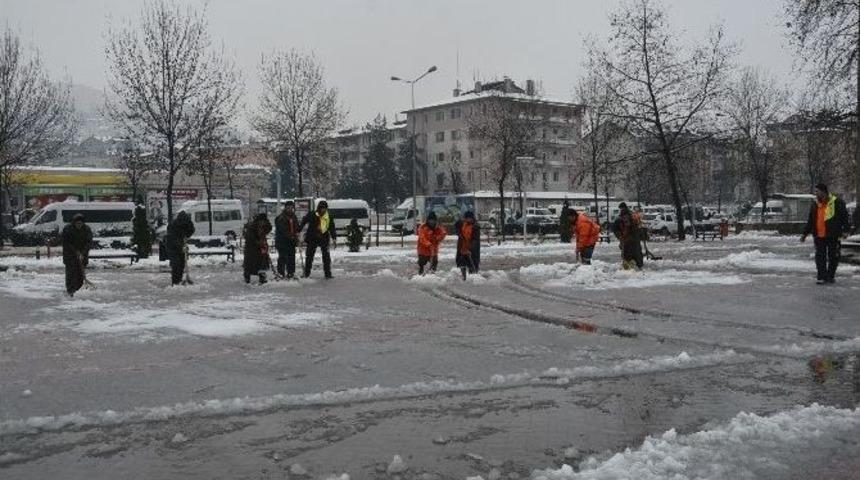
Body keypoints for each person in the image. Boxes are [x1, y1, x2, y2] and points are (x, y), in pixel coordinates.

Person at [801, 183, 849, 284]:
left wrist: (846, 230)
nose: (816, 194)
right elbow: (811, 221)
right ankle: (821, 276)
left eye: (817, 191)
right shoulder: (815, 204)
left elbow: (844, 217)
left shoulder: (837, 202)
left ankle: (830, 276)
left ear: (823, 192)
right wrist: (804, 234)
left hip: (833, 234)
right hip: (819, 235)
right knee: (820, 257)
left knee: (833, 256)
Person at [299, 200, 337, 279]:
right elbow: (304, 221)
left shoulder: (328, 216)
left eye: (325, 208)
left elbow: (332, 227)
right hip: (312, 238)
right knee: (309, 256)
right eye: (322, 208)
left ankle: (328, 274)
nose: (323, 210)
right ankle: (306, 273)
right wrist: (299, 230)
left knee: (326, 257)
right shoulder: (312, 214)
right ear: (319, 208)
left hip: (324, 238)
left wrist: (334, 238)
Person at [61, 213, 93, 297]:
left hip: (83, 255)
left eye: (80, 224)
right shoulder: (68, 229)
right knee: (71, 274)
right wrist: (76, 251)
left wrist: (83, 252)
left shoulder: (87, 229)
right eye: (77, 224)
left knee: (80, 274)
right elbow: (66, 243)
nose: (79, 225)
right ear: (74, 223)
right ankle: (70, 290)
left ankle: (78, 290)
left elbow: (89, 242)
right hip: (70, 256)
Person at [164, 211, 195, 285]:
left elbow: (191, 230)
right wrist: (180, 244)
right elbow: (172, 238)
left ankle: (179, 279)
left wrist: (186, 236)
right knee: (176, 264)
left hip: (181, 245)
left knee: (182, 263)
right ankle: (175, 281)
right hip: (172, 246)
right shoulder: (173, 225)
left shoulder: (188, 223)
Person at [243, 213, 273, 284]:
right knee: (250, 264)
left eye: (264, 221)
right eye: (261, 221)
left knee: (262, 263)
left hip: (261, 247)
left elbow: (269, 228)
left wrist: (267, 221)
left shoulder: (264, 227)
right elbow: (250, 237)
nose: (262, 222)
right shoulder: (252, 227)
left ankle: (262, 277)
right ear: (258, 220)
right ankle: (247, 276)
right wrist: (258, 243)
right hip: (251, 248)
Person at [612, 202, 643, 270]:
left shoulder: (622, 217)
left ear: (621, 208)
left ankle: (628, 266)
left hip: (627, 238)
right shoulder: (633, 215)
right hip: (635, 238)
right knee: (636, 252)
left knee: (626, 254)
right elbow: (638, 226)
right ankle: (638, 265)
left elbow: (616, 228)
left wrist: (620, 236)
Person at [274, 201, 300, 279]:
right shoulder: (281, 217)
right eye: (288, 207)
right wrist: (291, 237)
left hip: (291, 242)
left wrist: (296, 235)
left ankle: (291, 273)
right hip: (282, 242)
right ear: (285, 208)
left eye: (291, 207)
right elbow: (283, 230)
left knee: (291, 258)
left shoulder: (293, 216)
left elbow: (296, 227)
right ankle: (281, 273)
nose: (290, 209)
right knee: (283, 257)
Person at [454, 211, 481, 280]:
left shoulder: (475, 227)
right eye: (467, 218)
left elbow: (475, 240)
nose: (468, 220)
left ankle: (473, 277)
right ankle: (463, 278)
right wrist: (459, 234)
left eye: (470, 218)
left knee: (473, 264)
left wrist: (471, 248)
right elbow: (457, 226)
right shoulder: (463, 224)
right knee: (461, 263)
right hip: (462, 248)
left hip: (471, 250)